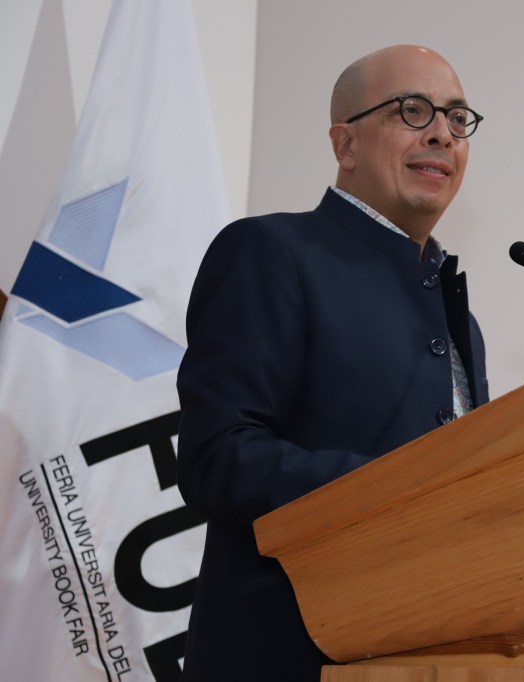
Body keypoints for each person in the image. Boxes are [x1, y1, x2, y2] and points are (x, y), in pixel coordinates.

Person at [176, 45, 488, 681]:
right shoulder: (271, 252)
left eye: (457, 118)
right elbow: (217, 456)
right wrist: (401, 488)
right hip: (287, 658)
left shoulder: (455, 315)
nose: (442, 133)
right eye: (412, 110)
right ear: (345, 145)